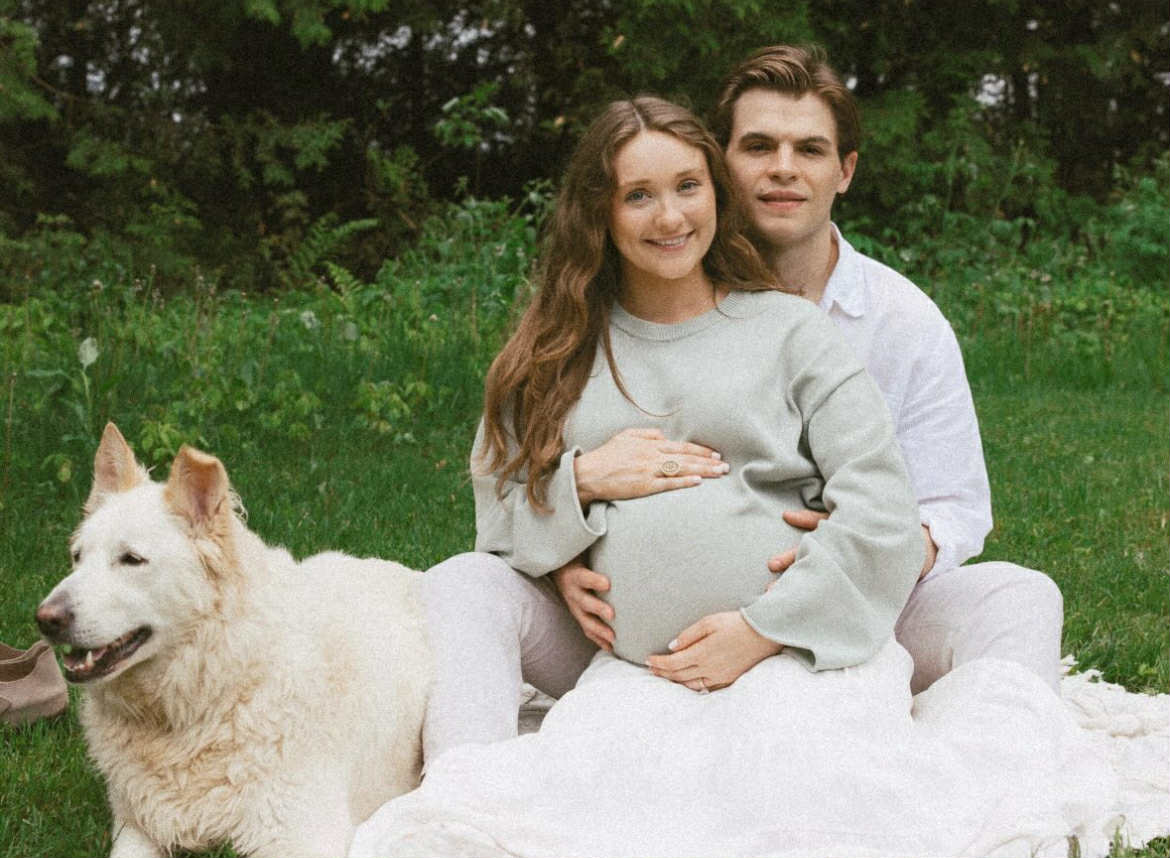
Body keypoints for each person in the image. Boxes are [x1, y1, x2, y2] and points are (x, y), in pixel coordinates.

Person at [421, 95, 924, 761]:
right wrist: (578, 493)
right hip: (605, 657)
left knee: (775, 780)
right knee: (460, 582)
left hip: (780, 655)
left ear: (717, 192)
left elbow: (884, 509)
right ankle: (460, 785)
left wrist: (764, 629)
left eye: (688, 186)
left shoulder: (791, 332)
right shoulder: (554, 349)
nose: (669, 217)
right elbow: (499, 517)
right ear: (599, 211)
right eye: (638, 195)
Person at [554, 44, 1064, 698]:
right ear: (719, 163)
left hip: (864, 594)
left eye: (811, 150)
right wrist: (562, 548)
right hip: (645, 620)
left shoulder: (904, 320)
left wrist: (847, 559)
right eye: (758, 147)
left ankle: (1003, 746)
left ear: (845, 171)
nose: (783, 169)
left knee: (1023, 595)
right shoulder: (651, 299)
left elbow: (954, 507)